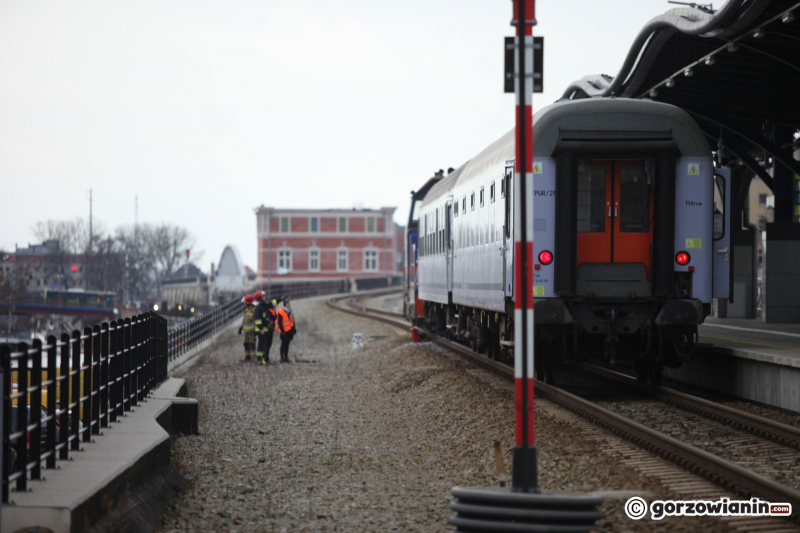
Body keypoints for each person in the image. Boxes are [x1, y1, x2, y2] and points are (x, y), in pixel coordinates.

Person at [253, 291, 277, 365]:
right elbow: (257, 320)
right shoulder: (258, 308)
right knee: (261, 344)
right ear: (260, 299)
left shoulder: (265, 306)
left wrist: (280, 299)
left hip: (265, 329)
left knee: (265, 344)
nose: (265, 297)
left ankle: (263, 358)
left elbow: (272, 303)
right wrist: (261, 329)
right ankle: (259, 359)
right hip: (261, 330)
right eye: (263, 296)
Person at [276, 296, 296, 363]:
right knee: (283, 344)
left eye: (288, 303)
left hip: (289, 330)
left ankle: (286, 357)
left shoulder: (291, 311)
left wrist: (294, 329)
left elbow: (292, 320)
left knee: (287, 344)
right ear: (284, 304)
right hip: (284, 331)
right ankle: (282, 357)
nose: (288, 304)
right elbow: (279, 322)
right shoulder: (281, 311)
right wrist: (282, 331)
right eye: (287, 303)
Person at [237, 294, 256, 361]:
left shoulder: (254, 310)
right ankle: (247, 357)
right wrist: (240, 328)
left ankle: (253, 358)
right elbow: (244, 320)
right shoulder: (246, 310)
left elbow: (256, 321)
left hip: (252, 331)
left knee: (252, 344)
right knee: (246, 344)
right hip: (246, 331)